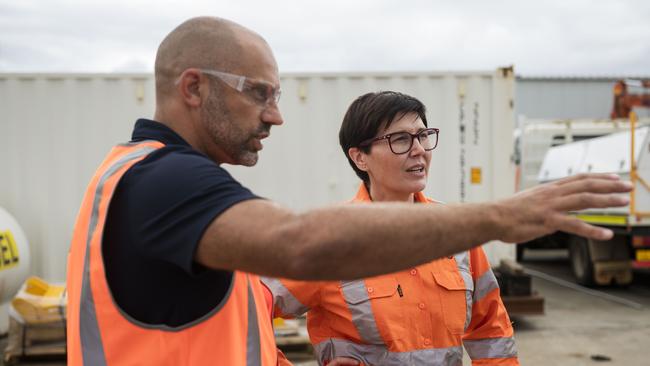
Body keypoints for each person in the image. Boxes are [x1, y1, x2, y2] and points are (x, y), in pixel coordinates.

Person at [65, 16, 631, 366]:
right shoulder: (163, 181)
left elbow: (491, 333)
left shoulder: (149, 177)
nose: (276, 116)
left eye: (424, 136)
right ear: (193, 87)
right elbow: (300, 247)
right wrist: (500, 215)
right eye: (260, 93)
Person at [264, 91, 518, 365]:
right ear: (360, 157)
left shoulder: (457, 233)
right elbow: (246, 311)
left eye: (423, 136)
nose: (419, 149)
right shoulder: (330, 241)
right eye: (400, 140)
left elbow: (491, 330)